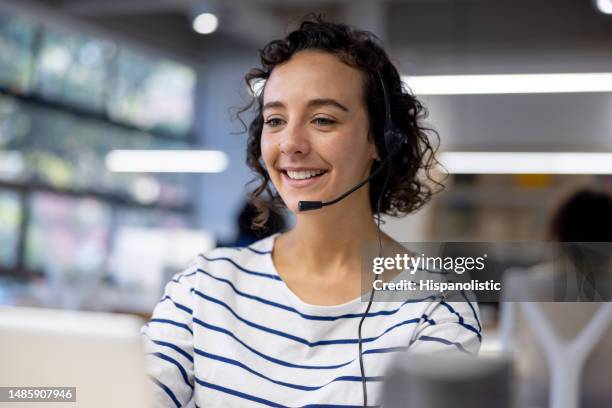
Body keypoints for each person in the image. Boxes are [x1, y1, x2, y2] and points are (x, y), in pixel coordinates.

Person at [141, 15, 481, 407]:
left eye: (323, 119)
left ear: (381, 140)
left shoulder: (433, 308)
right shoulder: (205, 286)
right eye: (275, 120)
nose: (291, 143)